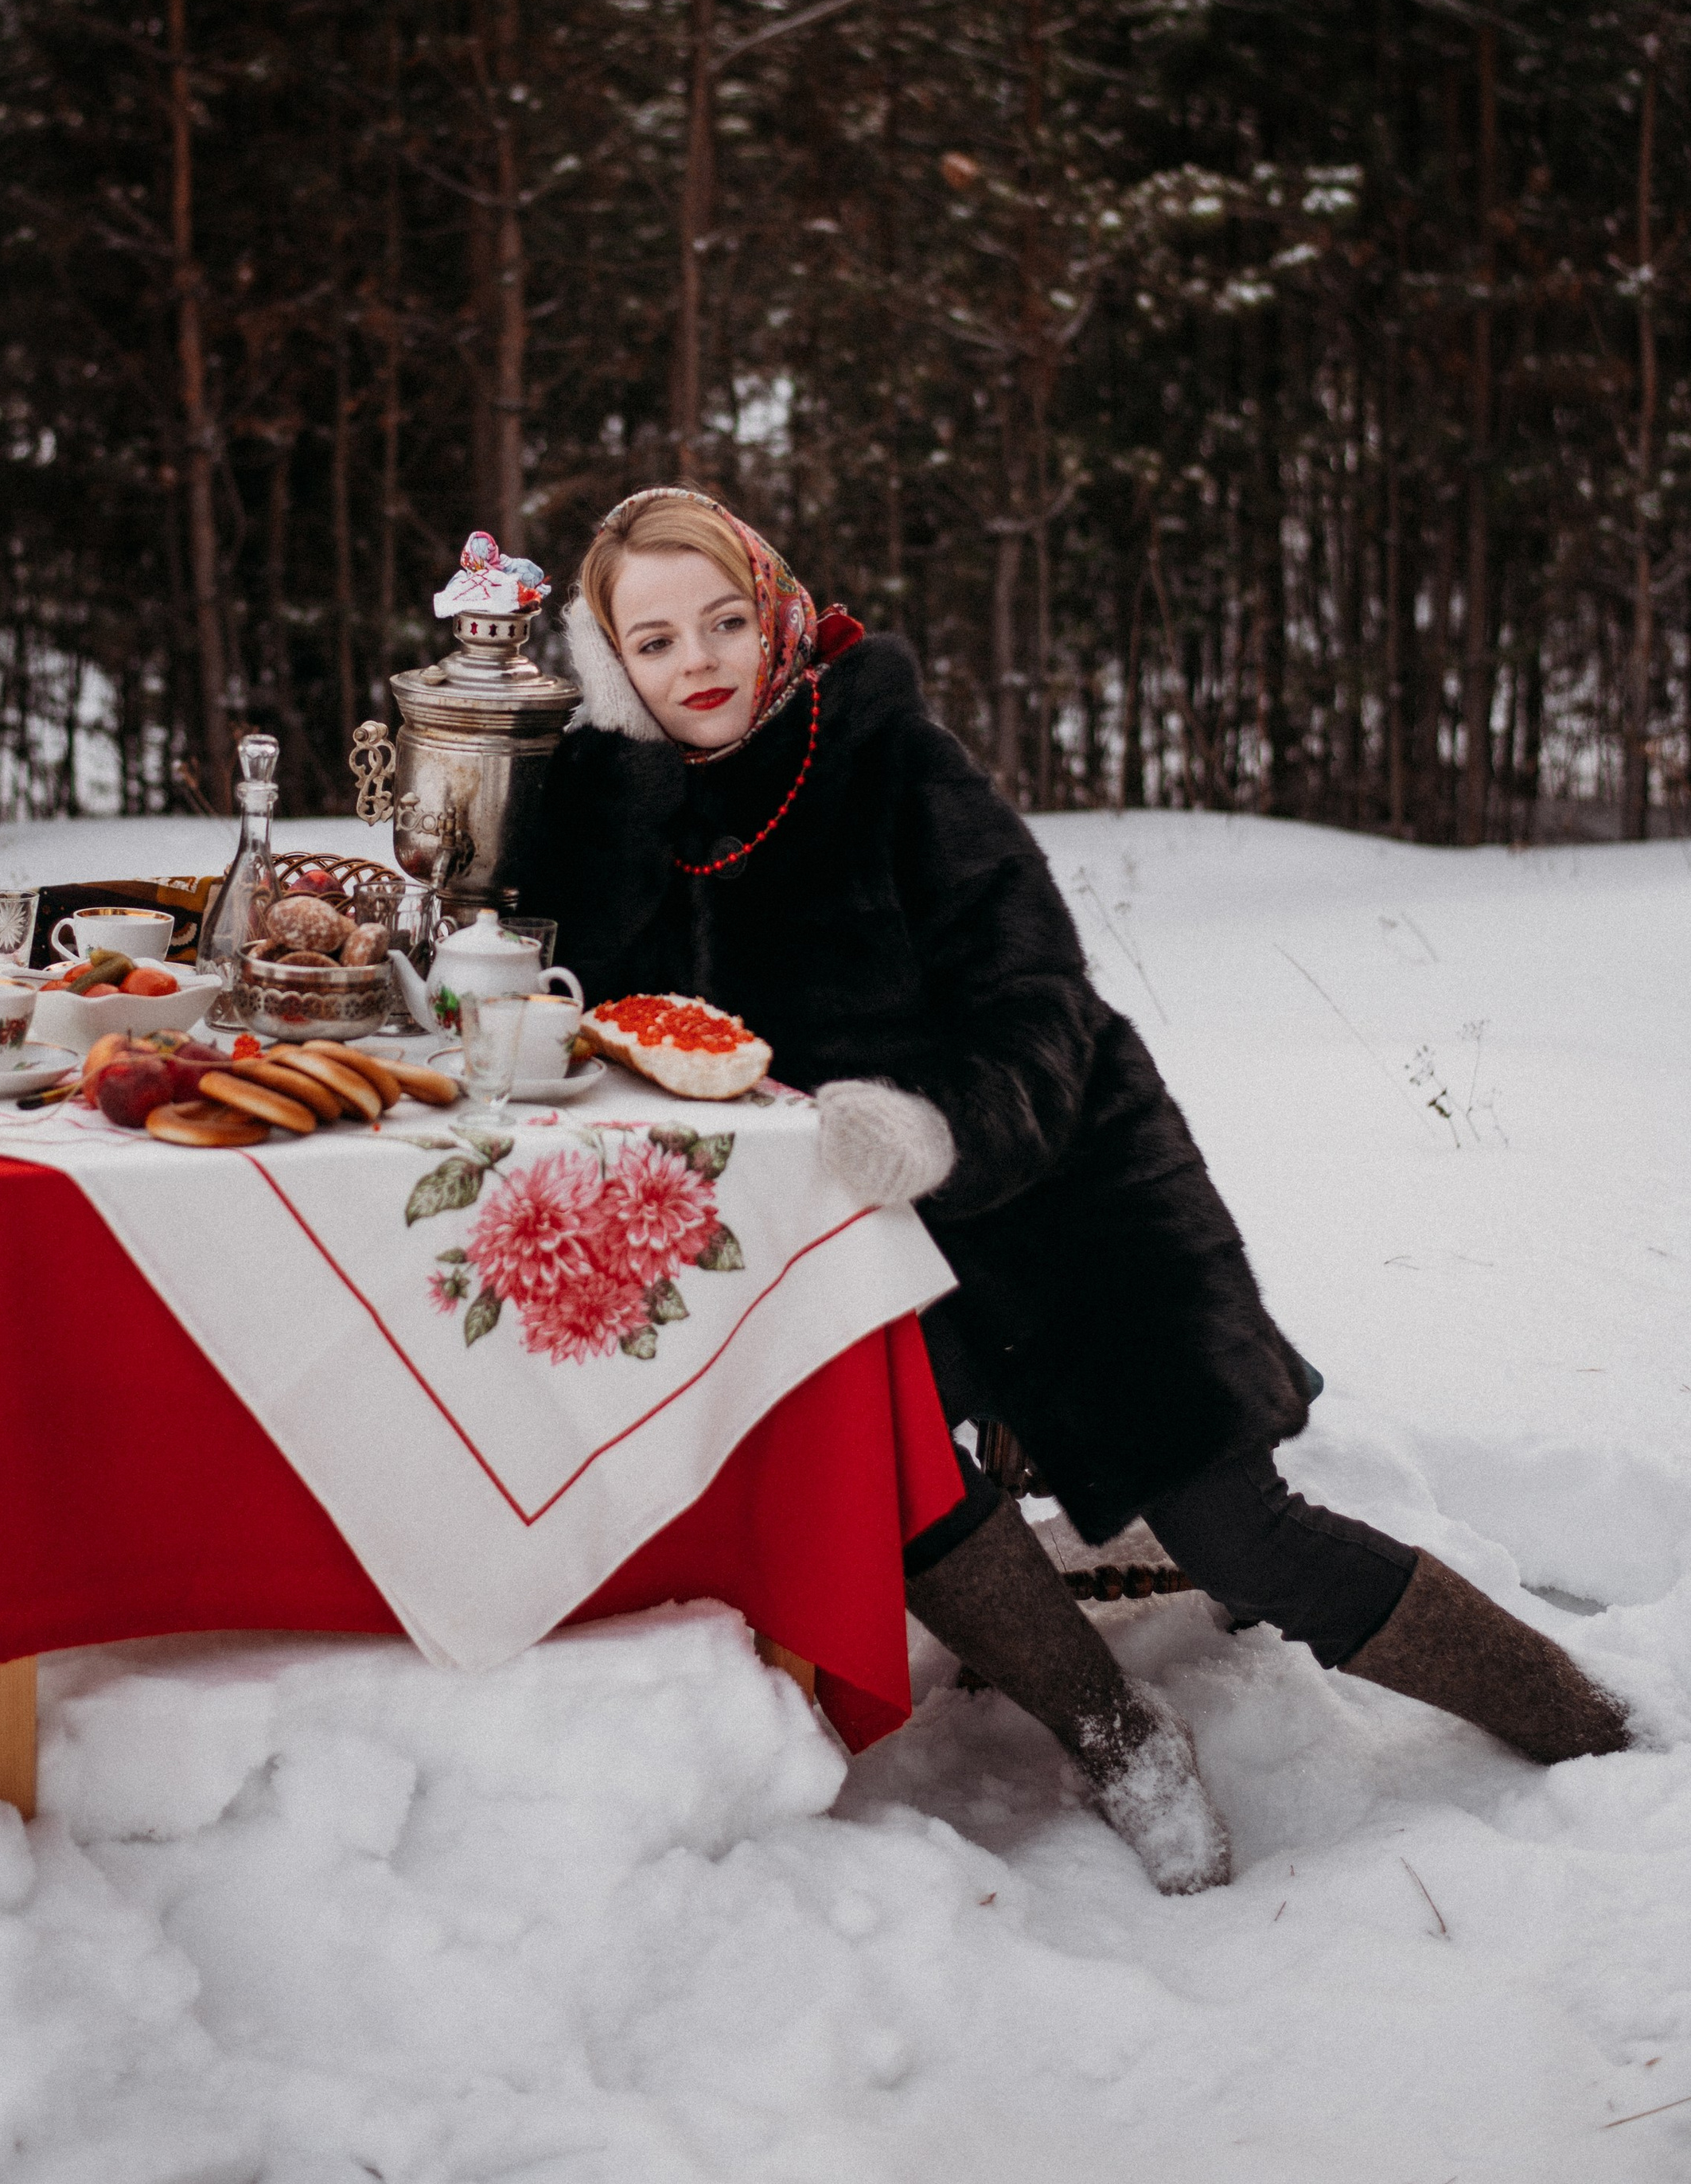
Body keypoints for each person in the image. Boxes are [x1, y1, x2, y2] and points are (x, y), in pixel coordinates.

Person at [536, 486, 1629, 1895]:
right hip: (855, 1244)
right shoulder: (627, 802)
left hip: (1067, 1208)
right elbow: (558, 986)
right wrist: (614, 789)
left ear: (781, 609)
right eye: (656, 638)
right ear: (611, 664)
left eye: (728, 620)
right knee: (909, 1500)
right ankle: (1118, 1733)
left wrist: (938, 1129)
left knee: (1245, 1539)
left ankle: (1587, 1718)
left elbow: (1043, 1007)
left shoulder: (892, 765)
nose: (701, 661)